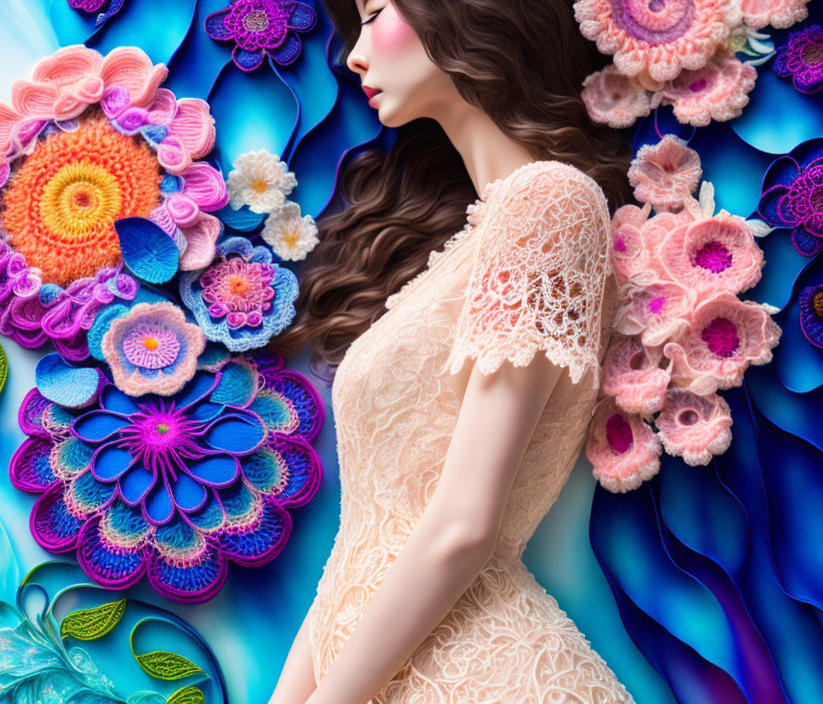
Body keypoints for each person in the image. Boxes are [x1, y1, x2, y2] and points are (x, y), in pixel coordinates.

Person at [269, 0, 637, 701]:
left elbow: (467, 524)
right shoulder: (475, 243)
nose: (354, 54)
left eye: (376, 11)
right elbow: (365, 542)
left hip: (482, 674)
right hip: (392, 666)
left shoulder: (550, 202)